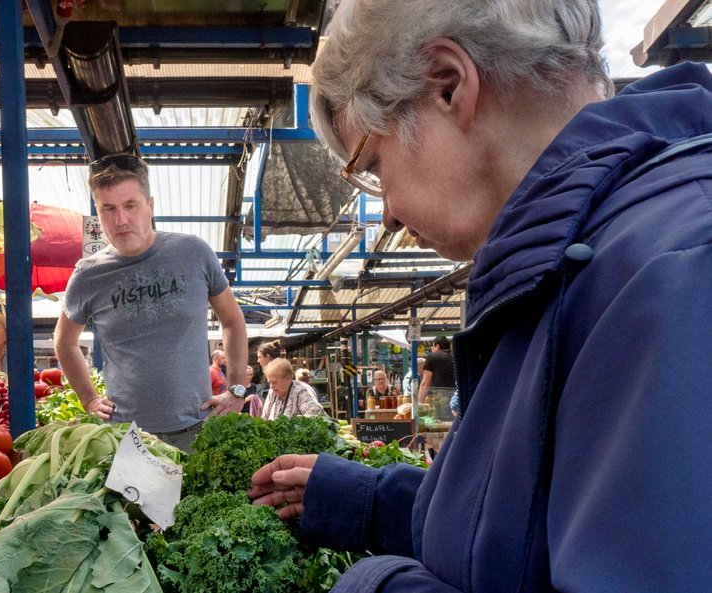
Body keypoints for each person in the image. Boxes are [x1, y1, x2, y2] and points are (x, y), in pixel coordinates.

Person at [247, 1, 712, 591]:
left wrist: (376, 585)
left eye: (372, 163)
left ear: (448, 85)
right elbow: (525, 536)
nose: (385, 213)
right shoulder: (576, 269)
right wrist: (373, 502)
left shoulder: (678, 274)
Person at [54, 153, 248, 452]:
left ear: (150, 206)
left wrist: (236, 389)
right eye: (109, 209)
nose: (121, 220)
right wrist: (89, 398)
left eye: (130, 205)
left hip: (199, 430)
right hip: (127, 438)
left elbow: (233, 321)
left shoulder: (193, 252)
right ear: (98, 212)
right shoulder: (88, 275)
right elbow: (65, 342)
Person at [260, 358, 325, 420]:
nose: (271, 386)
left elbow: (315, 415)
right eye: (269, 382)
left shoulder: (301, 391)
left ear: (288, 378)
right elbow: (265, 417)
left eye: (274, 382)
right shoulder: (273, 392)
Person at [417, 336, 455, 406]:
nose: (432, 349)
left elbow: (425, 383)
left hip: (442, 398)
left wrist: (419, 404)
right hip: (457, 398)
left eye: (433, 347)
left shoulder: (432, 357)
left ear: (437, 346)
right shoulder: (456, 356)